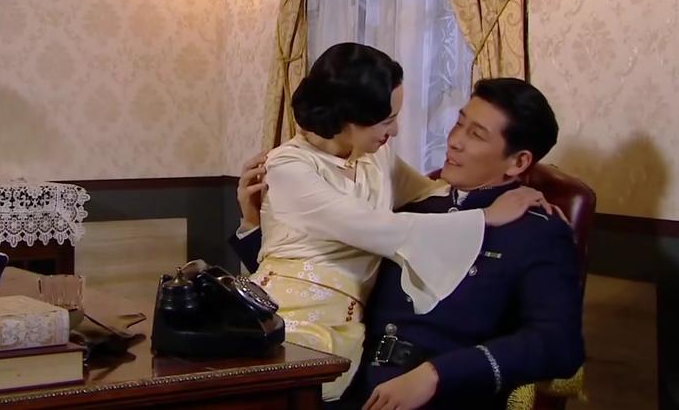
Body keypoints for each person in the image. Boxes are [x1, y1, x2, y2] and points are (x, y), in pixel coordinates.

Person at [234, 78, 584, 409]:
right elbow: (328, 273)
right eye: (459, 123)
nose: (455, 141)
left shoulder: (537, 231)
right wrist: (254, 223)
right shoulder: (415, 207)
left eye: (476, 134)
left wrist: (437, 375)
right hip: (349, 384)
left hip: (444, 397)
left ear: (518, 162)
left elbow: (558, 344)